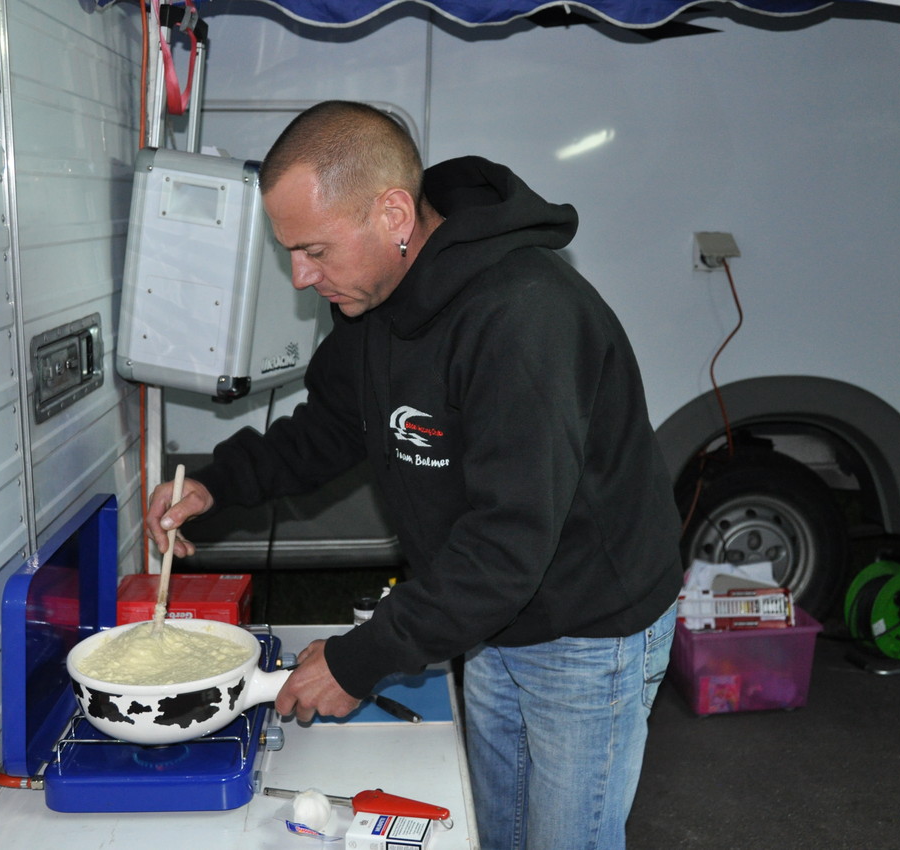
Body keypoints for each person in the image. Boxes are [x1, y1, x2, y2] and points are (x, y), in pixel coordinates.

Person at [145, 100, 683, 850]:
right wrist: (218, 483)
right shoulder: (374, 298)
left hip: (587, 628)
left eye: (314, 250)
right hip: (491, 615)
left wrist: (360, 660)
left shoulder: (522, 317)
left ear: (394, 214)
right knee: (496, 831)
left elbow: (507, 543)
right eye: (290, 252)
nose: (300, 277)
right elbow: (334, 425)